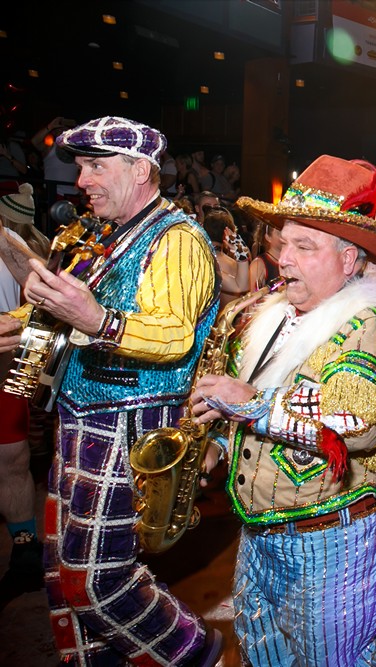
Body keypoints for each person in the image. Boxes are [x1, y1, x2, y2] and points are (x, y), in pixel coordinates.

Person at [190, 153, 376, 665]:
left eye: (304, 246)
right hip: (261, 537)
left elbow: (356, 428)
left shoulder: (368, 328)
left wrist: (251, 404)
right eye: (282, 244)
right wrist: (219, 443)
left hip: (335, 548)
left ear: (348, 259)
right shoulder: (275, 318)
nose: (284, 259)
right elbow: (261, 412)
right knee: (263, 655)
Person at [13, 116, 222, 664]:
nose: (81, 180)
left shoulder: (178, 239)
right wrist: (17, 323)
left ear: (140, 170)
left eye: (96, 166)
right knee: (63, 574)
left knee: (99, 583)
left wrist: (97, 319)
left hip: (130, 425)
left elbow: (174, 336)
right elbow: (62, 310)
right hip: (81, 417)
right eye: (81, 167)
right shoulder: (105, 234)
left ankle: (196, 654)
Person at [0, 186, 43, 612]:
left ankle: (26, 550)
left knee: (11, 460)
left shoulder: (13, 242)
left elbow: (42, 292)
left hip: (4, 364)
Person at [201, 206, 250, 305]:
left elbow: (241, 287)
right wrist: (241, 252)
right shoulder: (229, 263)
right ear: (228, 234)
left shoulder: (203, 260)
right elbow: (242, 287)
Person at [249, 220, 285, 289]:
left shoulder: (293, 260)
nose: (284, 237)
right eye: (279, 233)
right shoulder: (259, 264)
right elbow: (255, 297)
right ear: (268, 237)